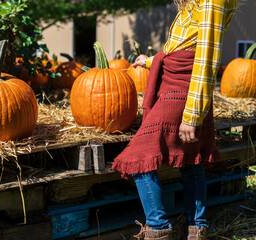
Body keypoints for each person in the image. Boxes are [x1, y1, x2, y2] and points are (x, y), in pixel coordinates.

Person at [112, 0, 239, 239]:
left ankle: (158, 229)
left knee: (139, 155)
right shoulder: (197, 3)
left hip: (185, 91)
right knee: (191, 160)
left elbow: (205, 60)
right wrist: (150, 61)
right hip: (182, 86)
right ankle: (196, 230)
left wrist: (192, 116)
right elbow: (183, 49)